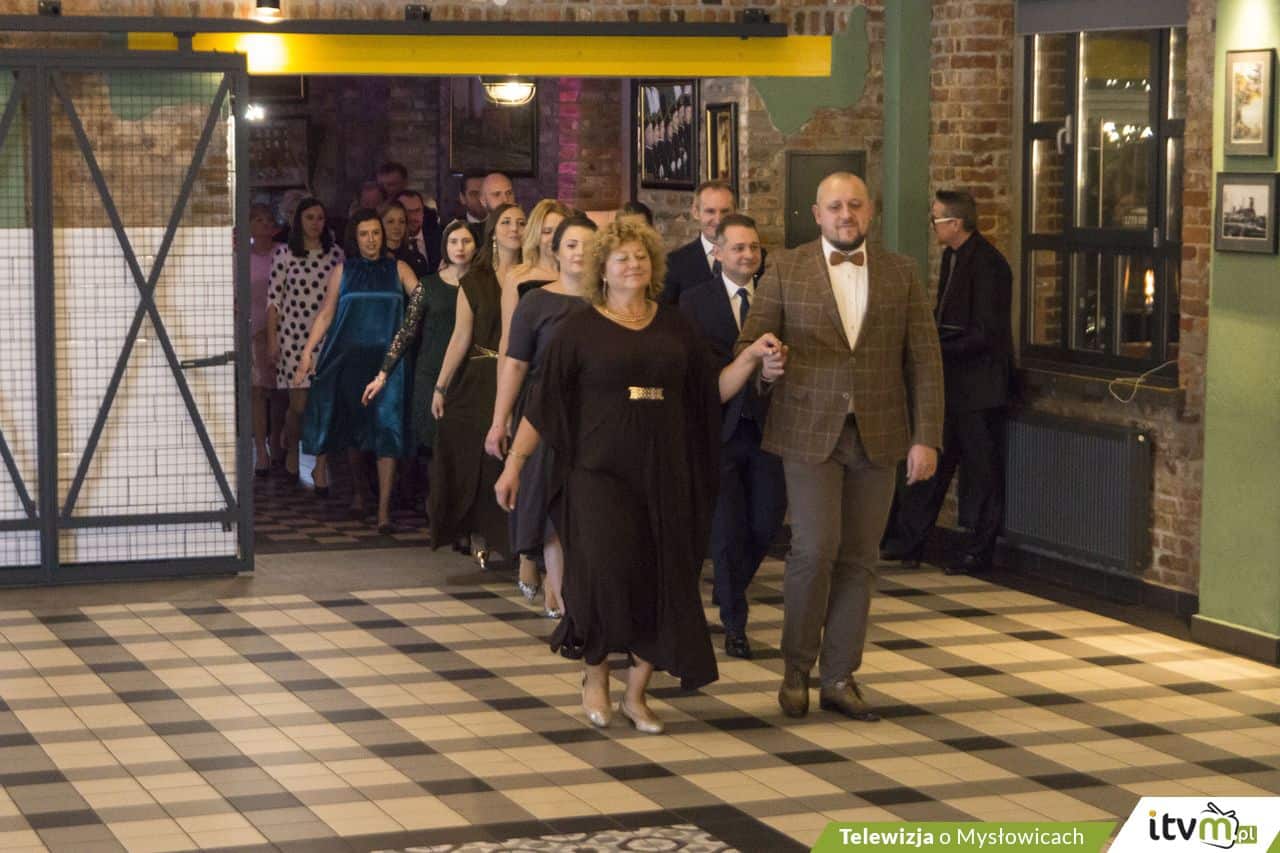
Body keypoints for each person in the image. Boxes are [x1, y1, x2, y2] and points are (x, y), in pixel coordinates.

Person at [493, 218, 785, 735]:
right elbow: (544, 404)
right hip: (597, 474)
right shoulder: (579, 329)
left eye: (641, 257)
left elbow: (709, 392)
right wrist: (514, 463)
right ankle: (596, 676)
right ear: (603, 269)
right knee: (602, 575)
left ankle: (636, 693)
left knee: (663, 578)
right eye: (622, 258)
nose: (633, 265)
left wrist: (750, 358)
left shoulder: (676, 326)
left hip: (665, 471)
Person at [737, 172, 944, 723]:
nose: (845, 215)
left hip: (880, 432)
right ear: (817, 213)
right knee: (814, 549)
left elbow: (925, 361)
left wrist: (927, 437)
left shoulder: (901, 272)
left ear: (870, 211)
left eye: (854, 205)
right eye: (835, 206)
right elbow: (750, 342)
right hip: (808, 430)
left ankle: (839, 676)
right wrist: (766, 366)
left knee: (860, 557)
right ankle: (795, 669)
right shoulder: (786, 267)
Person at [881, 190, 1013, 576]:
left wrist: (934, 346)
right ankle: (909, 542)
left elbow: (985, 333)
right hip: (952, 384)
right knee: (933, 464)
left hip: (981, 389)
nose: (932, 225)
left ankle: (979, 552)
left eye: (935, 219)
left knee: (983, 473)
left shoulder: (989, 265)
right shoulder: (952, 256)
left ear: (955, 224)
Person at [679, 214, 787, 660]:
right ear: (719, 253)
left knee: (766, 522)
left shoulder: (777, 298)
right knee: (726, 530)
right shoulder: (695, 302)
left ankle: (730, 588)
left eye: (754, 248)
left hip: (769, 429)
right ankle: (734, 624)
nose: (747, 255)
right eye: (738, 248)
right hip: (719, 430)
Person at [486, 216, 597, 619]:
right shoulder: (536, 302)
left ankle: (573, 589)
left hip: (594, 415)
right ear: (556, 251)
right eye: (571, 245)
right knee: (550, 502)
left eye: (588, 246)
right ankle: (558, 587)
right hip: (543, 413)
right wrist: (500, 419)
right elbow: (515, 363)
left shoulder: (608, 300)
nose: (580, 253)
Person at [295, 209, 420, 532]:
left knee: (387, 429)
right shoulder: (343, 271)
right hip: (350, 361)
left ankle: (383, 511)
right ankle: (359, 492)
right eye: (364, 234)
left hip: (389, 364)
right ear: (355, 237)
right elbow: (327, 313)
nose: (371, 240)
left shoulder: (399, 268)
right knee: (355, 429)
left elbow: (422, 300)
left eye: (376, 233)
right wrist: (308, 351)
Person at [426, 204, 525, 566]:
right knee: (475, 456)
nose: (514, 228)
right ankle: (478, 530)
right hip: (480, 374)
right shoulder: (476, 280)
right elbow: (460, 336)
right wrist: (441, 386)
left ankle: (515, 539)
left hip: (519, 373)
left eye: (521, 222)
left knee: (509, 457)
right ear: (493, 231)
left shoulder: (533, 276)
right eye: (506, 222)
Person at [364, 220, 478, 510]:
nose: (460, 248)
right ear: (444, 246)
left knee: (465, 445)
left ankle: (459, 510)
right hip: (431, 372)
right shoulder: (428, 286)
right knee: (433, 446)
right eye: (453, 241)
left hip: (471, 372)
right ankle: (437, 505)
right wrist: (383, 373)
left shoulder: (484, 284)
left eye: (466, 241)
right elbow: (407, 331)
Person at [266, 197, 344, 490]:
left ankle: (320, 468)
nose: (315, 223)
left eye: (320, 218)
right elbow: (273, 300)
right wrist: (272, 339)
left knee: (323, 406)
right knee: (298, 405)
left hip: (327, 338)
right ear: (298, 220)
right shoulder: (284, 253)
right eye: (309, 217)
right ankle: (292, 449)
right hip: (293, 337)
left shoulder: (336, 254)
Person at [664, 181, 755, 306]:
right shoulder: (674, 263)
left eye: (725, 211)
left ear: (735, 212)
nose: (718, 220)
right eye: (710, 211)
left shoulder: (755, 259)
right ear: (696, 212)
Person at [248, 203, 286, 476]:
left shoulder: (283, 253)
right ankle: (260, 450)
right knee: (258, 391)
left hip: (283, 329)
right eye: (259, 220)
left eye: (268, 220)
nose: (265, 224)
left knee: (280, 392)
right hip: (253, 329)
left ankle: (277, 442)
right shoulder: (241, 257)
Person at [380, 199, 431, 281]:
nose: (397, 226)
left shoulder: (416, 258)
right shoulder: (374, 257)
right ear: (380, 224)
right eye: (390, 221)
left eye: (401, 221)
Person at [397, 189, 442, 273]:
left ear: (423, 212)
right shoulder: (392, 243)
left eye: (417, 211)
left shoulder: (439, 236)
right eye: (408, 212)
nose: (413, 217)